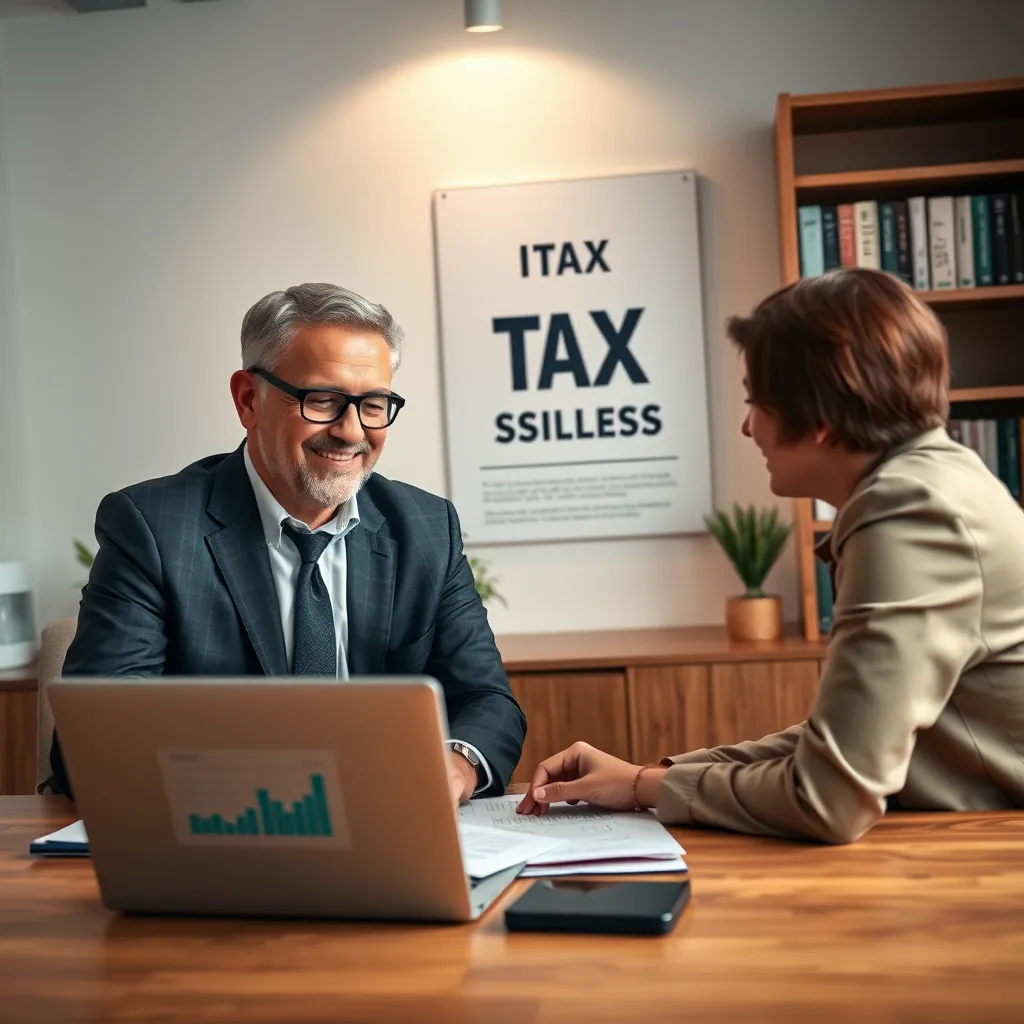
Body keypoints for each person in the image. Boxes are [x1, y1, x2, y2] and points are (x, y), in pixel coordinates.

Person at [517, 267, 1024, 843]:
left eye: (756, 402)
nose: (746, 425)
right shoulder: (935, 481)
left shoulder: (909, 512)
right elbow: (836, 743)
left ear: (822, 422)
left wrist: (643, 787)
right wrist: (656, 774)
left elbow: (827, 797)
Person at [49, 283, 525, 802]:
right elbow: (95, 737)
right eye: (322, 400)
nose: (351, 431)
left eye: (374, 404)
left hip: (386, 829)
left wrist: (455, 768)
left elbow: (486, 701)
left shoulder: (426, 527)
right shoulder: (153, 527)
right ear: (248, 399)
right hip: (223, 834)